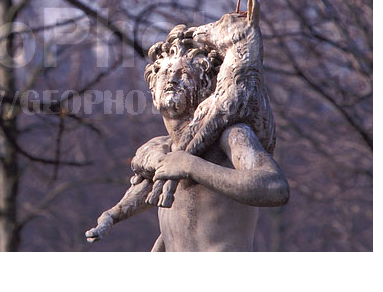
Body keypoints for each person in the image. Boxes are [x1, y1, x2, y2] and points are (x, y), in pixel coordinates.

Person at [85, 24, 289, 251]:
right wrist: (113, 215)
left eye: (183, 74)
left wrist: (191, 166)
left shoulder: (231, 137)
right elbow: (178, 227)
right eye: (164, 74)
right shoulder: (163, 151)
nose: (171, 80)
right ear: (153, 90)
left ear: (204, 86)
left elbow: (275, 187)